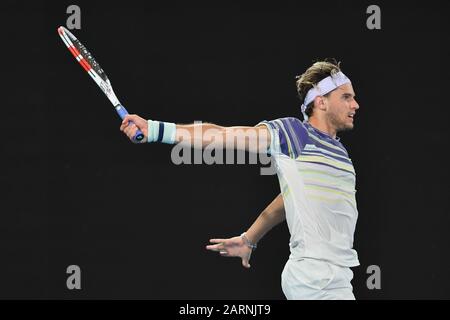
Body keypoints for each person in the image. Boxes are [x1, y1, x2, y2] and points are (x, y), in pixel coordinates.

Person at [120, 59, 360, 300]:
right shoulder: (295, 134)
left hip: (338, 277)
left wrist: (249, 238)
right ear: (322, 102)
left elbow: (290, 199)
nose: (355, 104)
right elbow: (222, 135)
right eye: (346, 97)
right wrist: (155, 129)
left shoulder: (340, 153)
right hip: (315, 277)